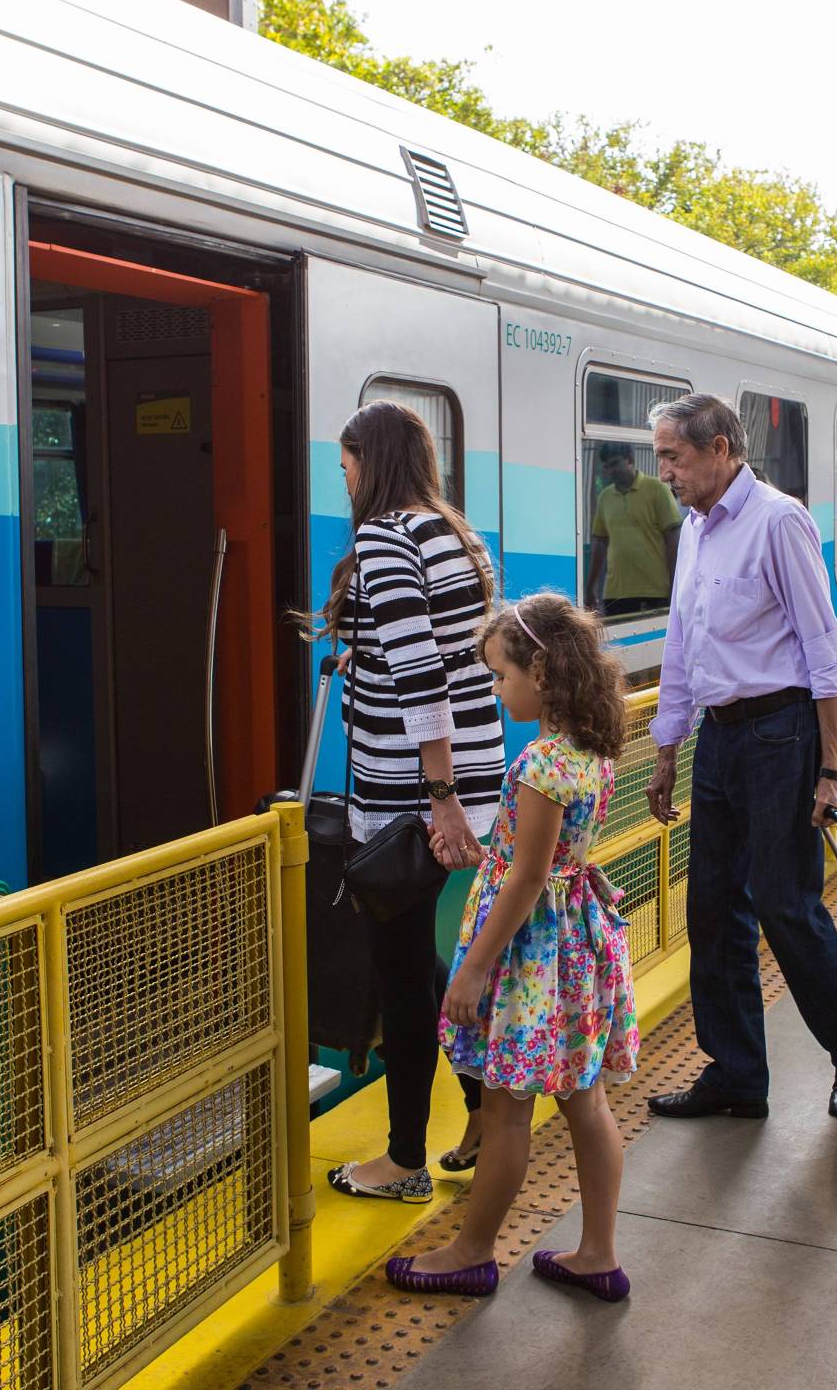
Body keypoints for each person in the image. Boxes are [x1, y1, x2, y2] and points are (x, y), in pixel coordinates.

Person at [642, 393, 837, 1121]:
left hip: (783, 735)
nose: (665, 472)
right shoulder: (693, 529)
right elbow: (682, 645)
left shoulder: (779, 521)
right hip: (720, 737)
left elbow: (823, 648)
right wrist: (666, 752)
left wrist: (831, 767)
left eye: (673, 457)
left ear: (720, 448)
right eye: (660, 457)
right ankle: (738, 1074)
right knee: (712, 911)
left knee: (786, 908)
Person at [391, 593, 639, 1300]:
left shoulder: (541, 765)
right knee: (583, 1103)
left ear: (544, 674)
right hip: (575, 946)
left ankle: (472, 1251)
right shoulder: (589, 751)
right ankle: (599, 1254)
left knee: (503, 1107)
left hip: (530, 956)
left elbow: (528, 878)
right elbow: (544, 860)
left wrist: (470, 972)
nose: (498, 692)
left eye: (502, 677)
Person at [311, 401, 503, 1203]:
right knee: (415, 960)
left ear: (371, 459)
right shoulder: (450, 532)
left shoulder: (386, 539)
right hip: (462, 779)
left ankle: (403, 1161)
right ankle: (487, 1102)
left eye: (346, 459)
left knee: (400, 978)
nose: (342, 473)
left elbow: (423, 678)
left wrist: (438, 797)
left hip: (409, 797)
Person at [587, 445, 682, 617]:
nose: (610, 471)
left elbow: (673, 539)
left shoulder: (657, 489)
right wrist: (590, 587)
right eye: (607, 467)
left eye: (615, 464)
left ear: (630, 459)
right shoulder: (605, 498)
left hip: (653, 590)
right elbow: (600, 542)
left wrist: (675, 584)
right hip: (615, 592)